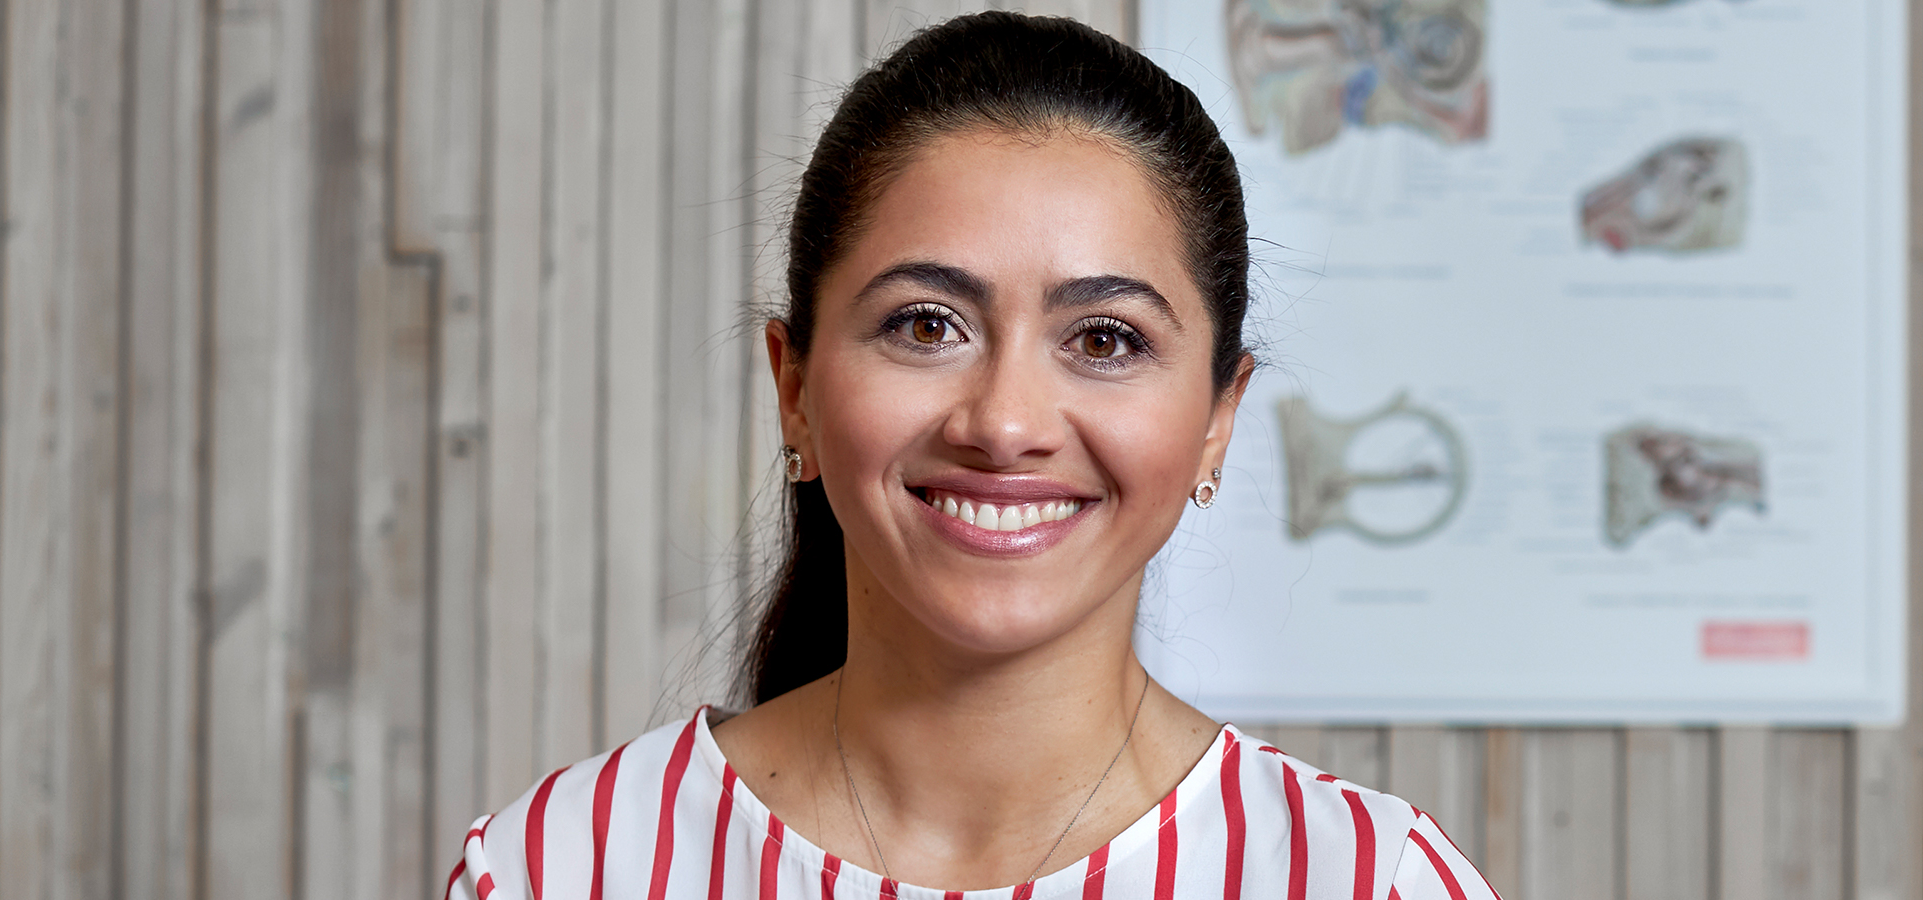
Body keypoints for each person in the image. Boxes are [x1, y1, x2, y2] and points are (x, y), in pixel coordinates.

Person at [445, 12, 1494, 899]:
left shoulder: (1367, 878)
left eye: (1103, 340)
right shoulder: (563, 867)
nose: (1002, 423)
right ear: (795, 388)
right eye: (925, 325)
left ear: (1218, 416)